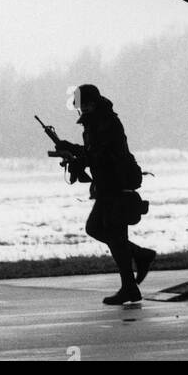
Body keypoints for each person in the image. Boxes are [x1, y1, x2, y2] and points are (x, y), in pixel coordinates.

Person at [73, 84, 156, 307]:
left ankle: (132, 282)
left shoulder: (106, 121)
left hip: (117, 184)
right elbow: (94, 152)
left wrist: (79, 157)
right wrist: (71, 150)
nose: (80, 108)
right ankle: (138, 260)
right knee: (97, 229)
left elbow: (101, 153)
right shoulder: (95, 121)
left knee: (110, 233)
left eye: (82, 104)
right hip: (107, 185)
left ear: (91, 103)